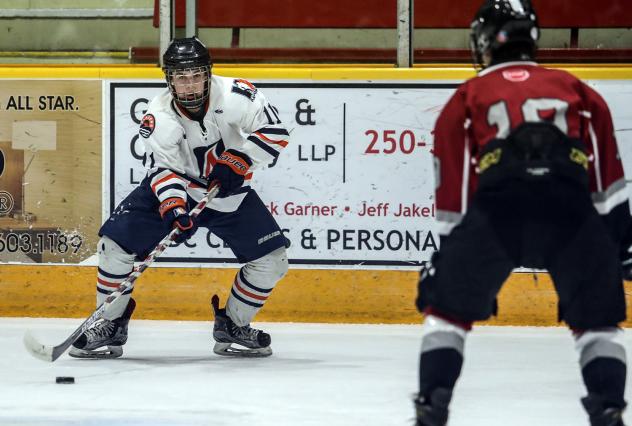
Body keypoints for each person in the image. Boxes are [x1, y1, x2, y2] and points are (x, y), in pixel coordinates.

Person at [414, 1, 631, 425]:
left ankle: (432, 406)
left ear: (483, 40)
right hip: (571, 214)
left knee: (446, 315)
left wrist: (450, 256)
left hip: (499, 213)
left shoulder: (467, 97)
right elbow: (608, 186)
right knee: (597, 324)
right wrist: (620, 245)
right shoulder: (579, 91)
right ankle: (608, 408)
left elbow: (454, 195)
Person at [69, 36, 290, 359]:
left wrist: (240, 159)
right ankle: (110, 324)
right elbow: (163, 170)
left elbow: (276, 131)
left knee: (272, 261)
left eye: (196, 75)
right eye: (180, 77)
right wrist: (173, 206)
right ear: (169, 80)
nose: (190, 85)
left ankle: (233, 324)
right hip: (177, 186)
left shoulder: (236, 95)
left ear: (208, 73)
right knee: (114, 246)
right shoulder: (158, 117)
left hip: (228, 191)